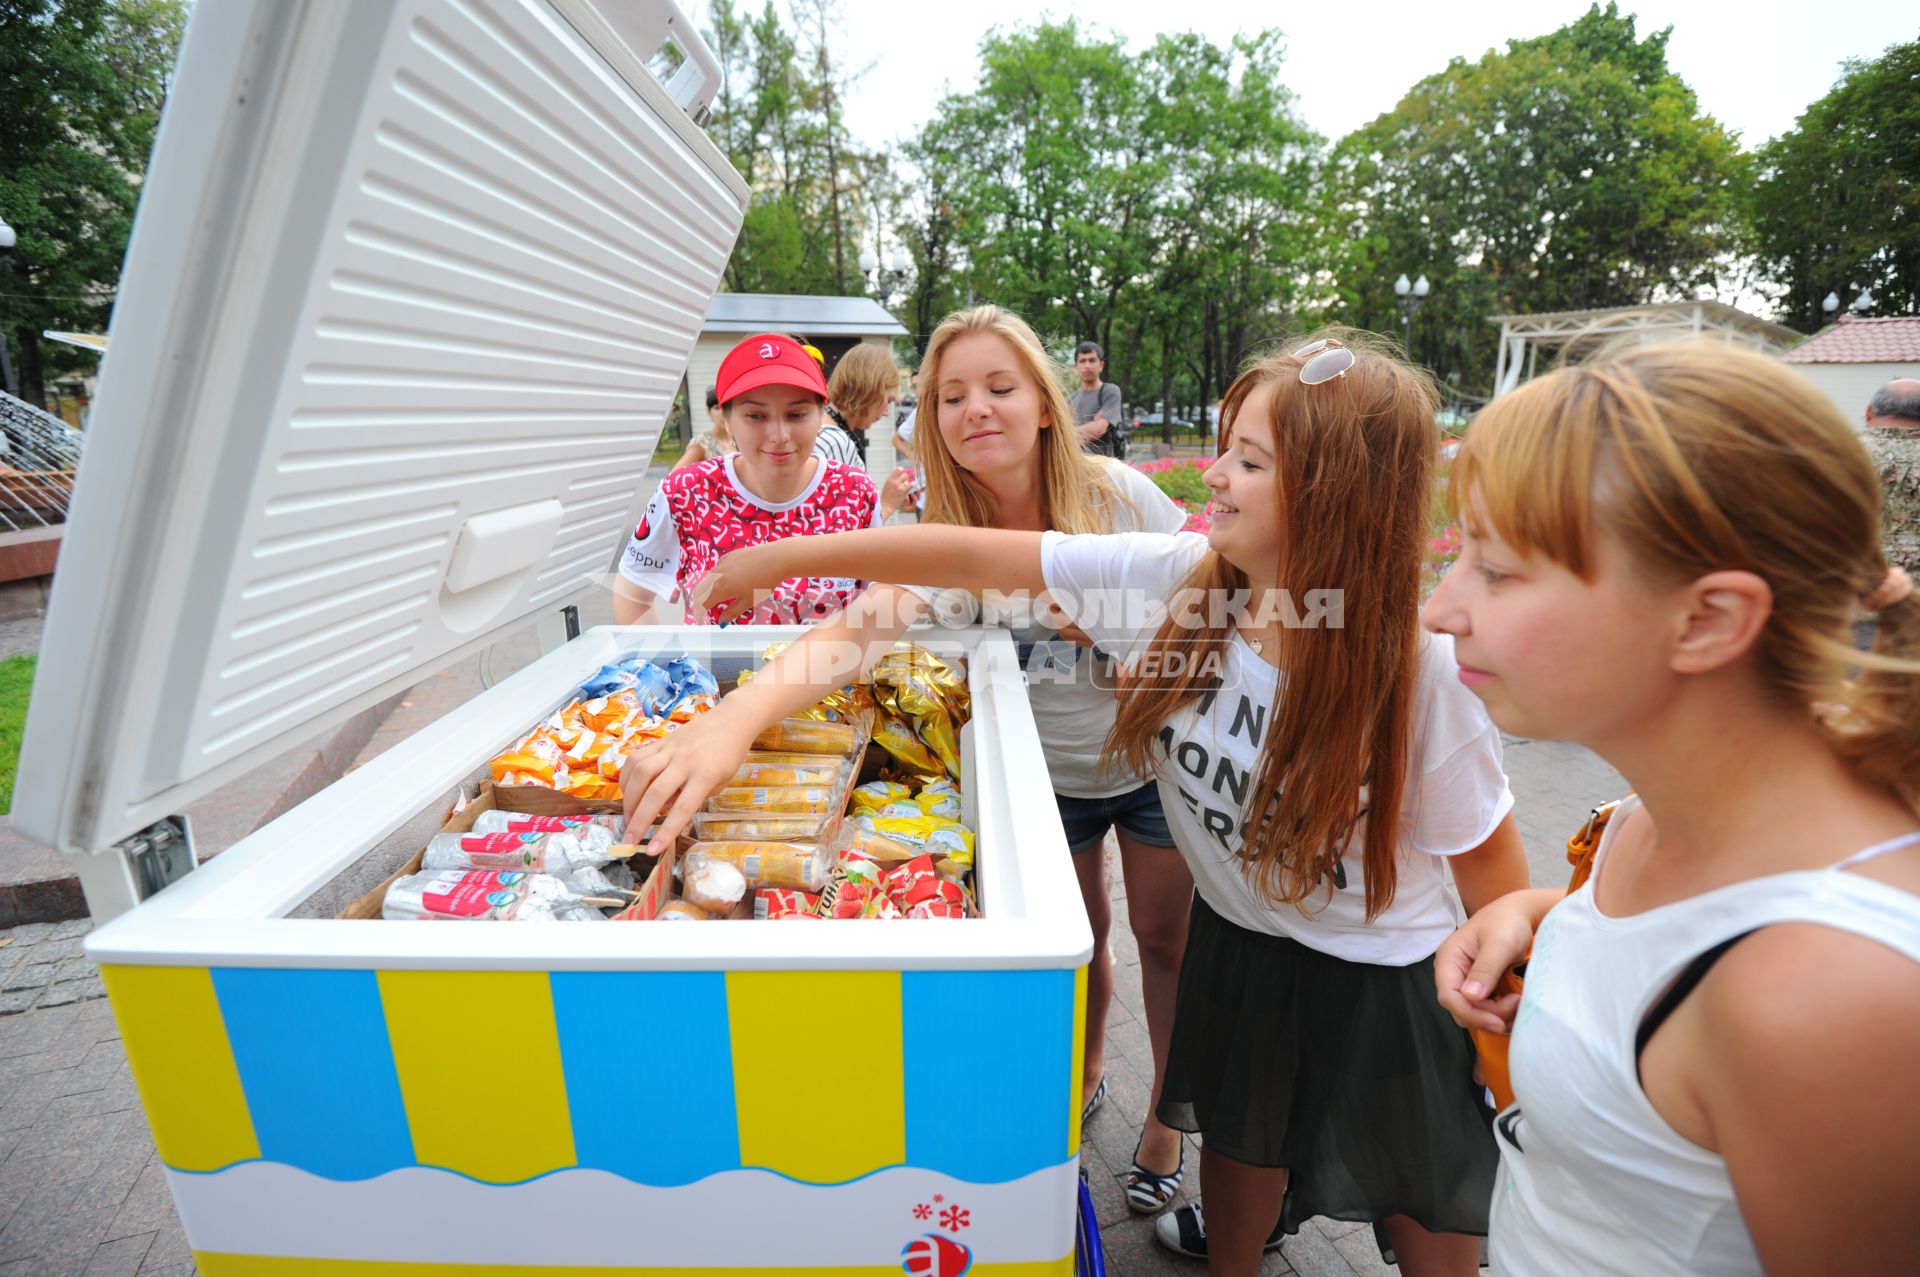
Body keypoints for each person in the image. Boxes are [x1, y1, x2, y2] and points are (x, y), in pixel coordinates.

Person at [666, 331, 1529, 1276]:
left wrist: (1516, 1041)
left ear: (1335, 488)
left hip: (1383, 984)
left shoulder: (1420, 671)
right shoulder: (1174, 579)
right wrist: (781, 564)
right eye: (1223, 447)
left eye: (1247, 459)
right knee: (1240, 1172)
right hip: (1243, 955)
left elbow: (1498, 890)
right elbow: (957, 553)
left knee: (1425, 1214)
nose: (1214, 474)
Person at [621, 305, 1201, 1218]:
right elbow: (860, 624)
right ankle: (1090, 1069)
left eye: (1000, 388)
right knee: (1084, 944)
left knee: (1168, 944)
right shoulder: (945, 526)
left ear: (1046, 405)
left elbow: (1213, 613)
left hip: (1152, 769)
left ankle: (1167, 1115)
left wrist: (1129, 646)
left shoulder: (1123, 497)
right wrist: (733, 720)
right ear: (927, 420)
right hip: (1044, 781)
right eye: (950, 396)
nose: (977, 409)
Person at [1426, 344, 1920, 1274]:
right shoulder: (1651, 815)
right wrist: (1534, 913)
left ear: (1708, 620)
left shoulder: (1829, 995)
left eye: (1494, 570)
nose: (1440, 609)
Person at [611, 332, 881, 625]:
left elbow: (881, 596)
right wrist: (666, 666)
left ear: (819, 415)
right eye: (755, 416)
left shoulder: (856, 492)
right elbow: (633, 592)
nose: (779, 436)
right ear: (726, 420)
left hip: (830, 670)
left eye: (797, 414)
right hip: (716, 671)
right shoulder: (686, 492)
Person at [1070, 341, 1126, 459]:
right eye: (1082, 361)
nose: (1087, 366)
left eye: (1092, 360)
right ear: (1076, 367)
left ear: (1101, 365)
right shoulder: (1069, 400)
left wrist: (1069, 433)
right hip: (1075, 465)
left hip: (1103, 466)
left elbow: (1099, 429)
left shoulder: (1110, 391)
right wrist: (1092, 426)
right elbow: (1057, 434)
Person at [669, 384, 734, 472]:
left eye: (726, 407)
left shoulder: (738, 438)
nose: (722, 413)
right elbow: (674, 476)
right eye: (717, 408)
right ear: (709, 413)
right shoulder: (702, 442)